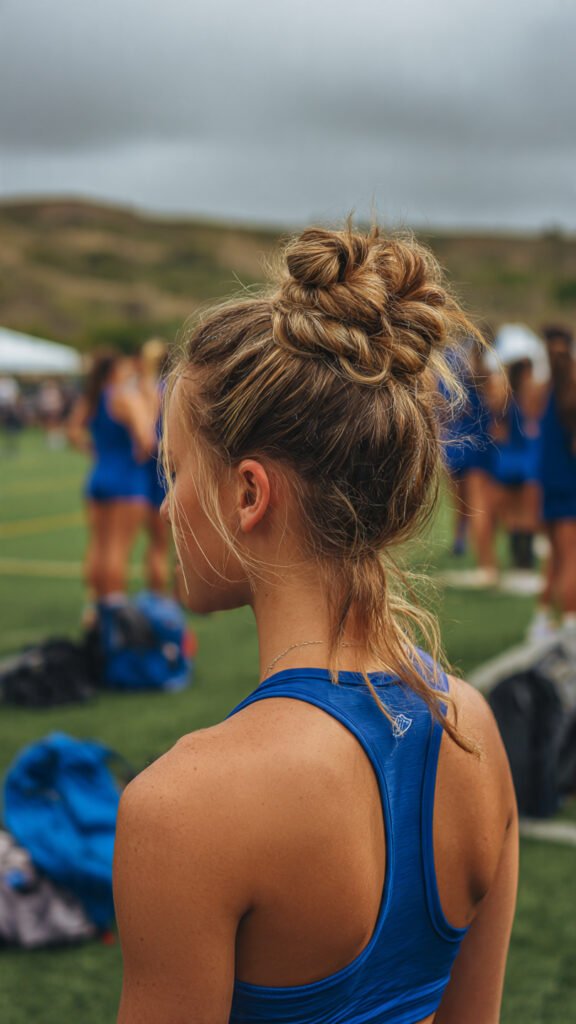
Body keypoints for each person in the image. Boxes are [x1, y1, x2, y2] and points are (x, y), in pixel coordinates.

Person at [114, 226, 518, 1024]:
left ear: (248, 494)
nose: (166, 505)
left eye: (177, 469)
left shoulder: (183, 808)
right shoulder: (472, 727)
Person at [67, 349, 155, 606]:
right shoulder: (124, 398)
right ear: (115, 371)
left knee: (97, 546)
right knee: (118, 549)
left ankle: (95, 607)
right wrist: (149, 403)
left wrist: (94, 450)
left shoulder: (93, 398)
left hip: (99, 475)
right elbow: (147, 439)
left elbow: (73, 432)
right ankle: (113, 614)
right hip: (126, 479)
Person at [530, 325, 576, 642]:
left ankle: (542, 620)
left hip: (548, 485)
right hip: (570, 486)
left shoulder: (541, 392)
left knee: (555, 558)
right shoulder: (570, 392)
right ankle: (571, 624)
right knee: (571, 558)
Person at [138, 338, 171, 594]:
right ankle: (175, 595)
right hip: (171, 466)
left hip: (154, 468)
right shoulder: (174, 387)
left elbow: (147, 436)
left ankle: (160, 599)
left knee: (158, 543)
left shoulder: (151, 389)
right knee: (175, 542)